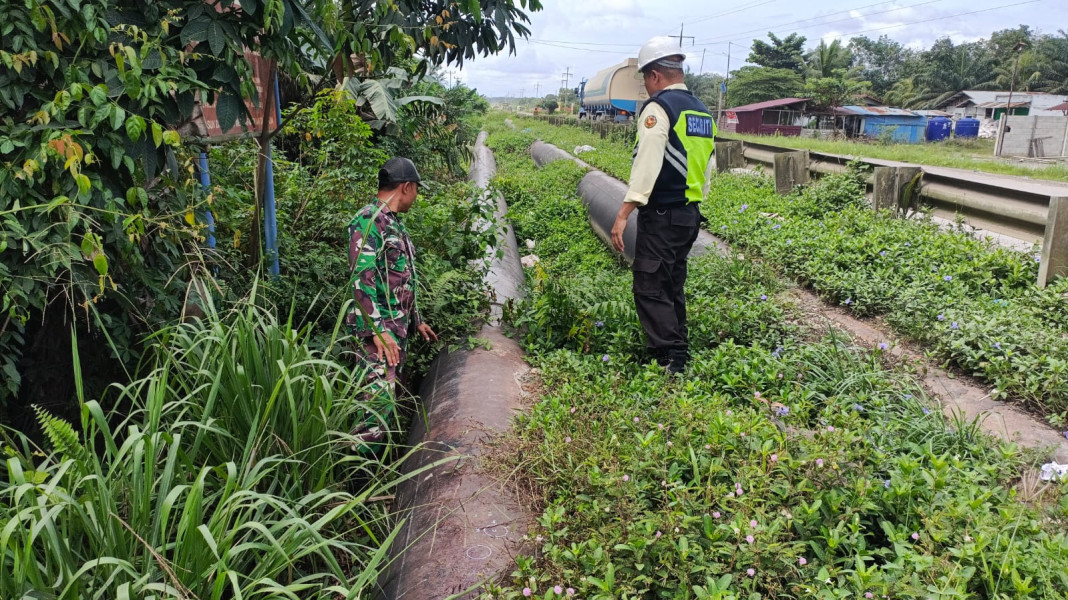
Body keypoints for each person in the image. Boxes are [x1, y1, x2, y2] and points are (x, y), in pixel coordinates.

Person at [610, 36, 717, 375]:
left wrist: (624, 212)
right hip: (689, 213)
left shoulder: (659, 109)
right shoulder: (701, 110)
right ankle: (678, 347)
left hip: (663, 213)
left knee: (650, 283)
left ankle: (671, 357)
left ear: (655, 75)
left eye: (644, 78)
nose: (646, 85)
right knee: (671, 281)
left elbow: (648, 163)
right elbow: (708, 165)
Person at [347, 157, 437, 444]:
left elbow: (400, 279)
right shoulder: (369, 221)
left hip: (394, 333)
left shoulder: (393, 223)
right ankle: (359, 484)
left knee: (385, 407)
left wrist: (416, 320)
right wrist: (379, 332)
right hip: (379, 337)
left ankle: (378, 471)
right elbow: (362, 281)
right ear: (407, 187)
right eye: (417, 190)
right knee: (373, 415)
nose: (416, 196)